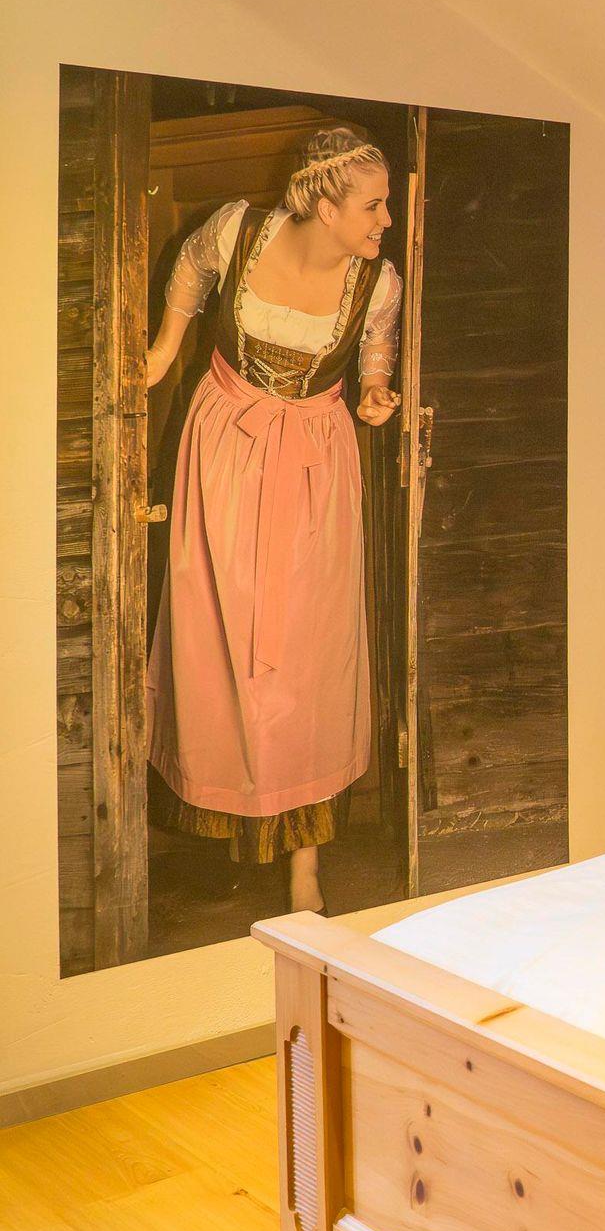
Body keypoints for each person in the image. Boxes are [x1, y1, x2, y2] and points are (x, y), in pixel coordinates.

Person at [143, 127, 401, 915]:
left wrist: (373, 392)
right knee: (218, 630)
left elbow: (377, 345)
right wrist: (164, 351)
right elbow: (190, 268)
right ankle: (224, 825)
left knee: (305, 653)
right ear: (326, 207)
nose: (386, 220)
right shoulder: (238, 231)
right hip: (225, 441)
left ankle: (304, 865)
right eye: (373, 205)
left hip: (316, 462)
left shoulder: (376, 281)